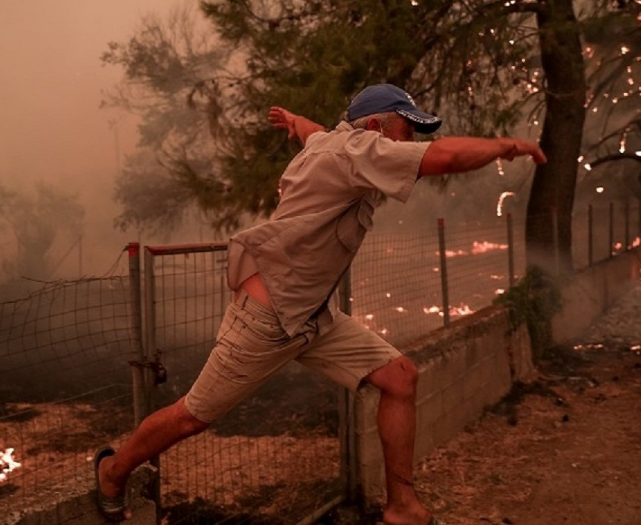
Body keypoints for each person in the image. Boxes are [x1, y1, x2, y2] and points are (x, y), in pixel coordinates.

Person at [94, 83, 547, 525]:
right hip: (267, 320)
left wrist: (294, 120)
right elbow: (443, 157)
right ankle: (113, 472)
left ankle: (402, 507)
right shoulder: (356, 151)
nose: (411, 144)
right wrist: (505, 144)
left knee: (400, 377)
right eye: (406, 133)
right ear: (374, 126)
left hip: (314, 317)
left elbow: (316, 132)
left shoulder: (333, 143)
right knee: (193, 416)